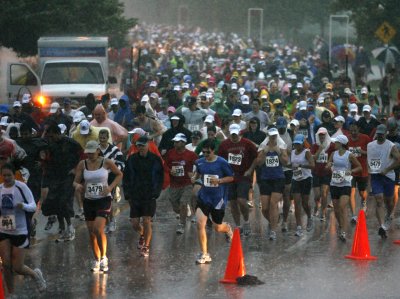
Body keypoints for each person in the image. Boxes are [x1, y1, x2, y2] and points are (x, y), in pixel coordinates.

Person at [73, 140, 122, 272]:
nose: (89, 154)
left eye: (92, 152)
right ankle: (97, 259)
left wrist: (110, 187)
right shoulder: (82, 164)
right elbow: (75, 181)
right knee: (91, 233)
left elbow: (119, 174)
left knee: (98, 229)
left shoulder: (106, 162)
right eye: (87, 152)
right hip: (89, 200)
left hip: (104, 200)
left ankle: (104, 258)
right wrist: (77, 186)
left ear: (98, 150)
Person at [0, 163, 46, 294]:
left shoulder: (21, 187)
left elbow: (33, 206)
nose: (7, 178)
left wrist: (22, 206)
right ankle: (11, 294)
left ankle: (35, 275)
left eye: (9, 175)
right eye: (4, 175)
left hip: (20, 230)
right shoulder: (0, 189)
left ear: (14, 175)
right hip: (3, 230)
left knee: (17, 267)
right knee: (6, 265)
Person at [191, 138, 234, 264]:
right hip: (204, 196)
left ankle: (227, 229)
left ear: (213, 151)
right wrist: (194, 178)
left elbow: (231, 177)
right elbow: (198, 174)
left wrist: (219, 181)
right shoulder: (199, 162)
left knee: (217, 227)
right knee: (200, 224)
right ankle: (204, 254)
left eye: (208, 153)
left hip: (218, 199)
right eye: (203, 152)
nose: (205, 155)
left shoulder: (222, 162)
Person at [123, 136, 164, 257]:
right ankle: (142, 234)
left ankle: (146, 245)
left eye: (142, 145)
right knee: (135, 223)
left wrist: (156, 193)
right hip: (135, 194)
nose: (140, 148)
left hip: (149, 195)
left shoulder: (155, 159)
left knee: (147, 221)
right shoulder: (132, 159)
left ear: (148, 145)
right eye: (138, 145)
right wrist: (127, 194)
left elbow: (160, 177)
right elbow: (126, 177)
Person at [41, 124, 82, 242]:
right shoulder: (50, 145)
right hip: (55, 177)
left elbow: (83, 156)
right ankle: (62, 228)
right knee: (55, 202)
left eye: (52, 136)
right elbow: (47, 161)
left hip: (68, 177)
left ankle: (70, 226)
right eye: (49, 136)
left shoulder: (71, 143)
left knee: (64, 200)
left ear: (58, 133)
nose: (51, 138)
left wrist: (76, 169)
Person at [218, 124, 257, 235]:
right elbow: (220, 160)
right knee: (233, 203)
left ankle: (246, 221)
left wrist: (250, 170)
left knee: (241, 200)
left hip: (243, 176)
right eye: (232, 134)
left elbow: (256, 158)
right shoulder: (224, 145)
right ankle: (238, 225)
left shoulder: (247, 143)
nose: (234, 136)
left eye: (236, 133)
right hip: (230, 177)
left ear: (239, 132)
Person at [253, 127, 288, 240]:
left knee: (273, 203)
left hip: (278, 178)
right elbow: (258, 163)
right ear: (268, 136)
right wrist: (265, 151)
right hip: (265, 178)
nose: (273, 138)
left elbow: (286, 162)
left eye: (275, 136)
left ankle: (273, 230)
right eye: (271, 136)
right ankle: (274, 221)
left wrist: (278, 151)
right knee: (264, 208)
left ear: (277, 136)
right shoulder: (263, 147)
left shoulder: (282, 146)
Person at [367, 124, 400, 239]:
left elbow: (398, 160)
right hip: (376, 176)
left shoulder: (391, 146)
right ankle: (382, 226)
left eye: (382, 134)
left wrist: (387, 169)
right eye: (379, 134)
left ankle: (388, 216)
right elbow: (369, 160)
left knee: (389, 202)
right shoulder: (370, 145)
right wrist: (370, 171)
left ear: (386, 133)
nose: (380, 136)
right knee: (379, 199)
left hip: (388, 176)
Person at [326, 135, 362, 241]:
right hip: (334, 183)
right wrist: (328, 165)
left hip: (345, 183)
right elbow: (329, 162)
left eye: (336, 142)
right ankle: (341, 226)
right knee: (336, 210)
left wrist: (351, 171)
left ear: (341, 143)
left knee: (342, 207)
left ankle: (343, 232)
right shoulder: (333, 154)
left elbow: (359, 167)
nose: (334, 144)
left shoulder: (349, 155)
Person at [164, 133, 198, 234]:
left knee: (183, 203)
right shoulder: (170, 153)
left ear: (183, 142)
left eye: (177, 142)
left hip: (187, 183)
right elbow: (165, 165)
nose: (175, 143)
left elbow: (200, 164)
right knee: (175, 206)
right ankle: (184, 212)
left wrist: (195, 175)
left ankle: (181, 224)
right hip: (174, 184)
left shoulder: (191, 155)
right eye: (174, 141)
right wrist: (170, 171)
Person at [98, 129, 125, 233]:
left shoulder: (115, 150)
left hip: (111, 178)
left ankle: (112, 221)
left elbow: (122, 164)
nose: (102, 140)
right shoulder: (96, 149)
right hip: (99, 179)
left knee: (110, 199)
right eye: (100, 138)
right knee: (101, 201)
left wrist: (111, 169)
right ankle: (105, 221)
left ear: (107, 138)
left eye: (104, 138)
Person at [291, 134, 315, 237]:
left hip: (306, 179)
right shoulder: (292, 152)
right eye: (295, 143)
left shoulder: (307, 152)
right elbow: (291, 164)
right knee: (297, 203)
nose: (297, 145)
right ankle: (299, 227)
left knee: (305, 203)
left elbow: (313, 165)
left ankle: (309, 217)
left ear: (302, 144)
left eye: (298, 143)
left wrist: (301, 165)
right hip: (296, 179)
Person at [348, 122, 371, 221]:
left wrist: (363, 152)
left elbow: (372, 152)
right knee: (351, 192)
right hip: (351, 170)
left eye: (355, 131)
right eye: (351, 130)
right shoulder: (347, 140)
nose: (353, 132)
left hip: (362, 170)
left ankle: (364, 201)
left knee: (362, 193)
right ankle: (353, 215)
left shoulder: (365, 138)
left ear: (359, 130)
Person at [310, 127, 334, 221]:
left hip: (326, 173)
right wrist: (320, 149)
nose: (321, 136)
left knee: (324, 194)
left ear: (326, 135)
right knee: (317, 195)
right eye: (320, 135)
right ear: (317, 136)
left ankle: (323, 213)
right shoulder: (315, 146)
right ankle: (317, 206)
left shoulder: (331, 146)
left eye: (323, 135)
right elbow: (313, 159)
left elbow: (334, 158)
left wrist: (330, 164)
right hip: (316, 172)